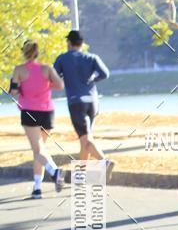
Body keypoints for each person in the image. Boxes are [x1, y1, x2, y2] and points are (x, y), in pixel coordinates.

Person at [54, 30, 114, 177]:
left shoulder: (63, 58)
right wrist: (92, 79)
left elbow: (54, 76)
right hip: (92, 101)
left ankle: (104, 161)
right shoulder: (91, 57)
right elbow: (105, 73)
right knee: (86, 138)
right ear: (82, 43)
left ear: (69, 42)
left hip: (76, 102)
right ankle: (81, 173)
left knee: (85, 138)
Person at [10, 40, 65, 198]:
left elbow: (13, 92)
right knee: (40, 149)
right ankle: (37, 188)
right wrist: (47, 85)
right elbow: (60, 85)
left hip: (29, 111)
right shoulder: (47, 68)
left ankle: (54, 172)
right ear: (37, 52)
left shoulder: (19, 69)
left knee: (38, 149)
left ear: (24, 52)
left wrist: (21, 87)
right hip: (47, 112)